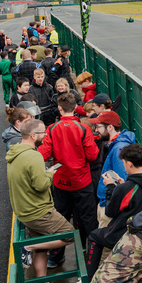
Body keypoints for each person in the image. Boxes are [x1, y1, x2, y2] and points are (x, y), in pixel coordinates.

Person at [6, 118, 74, 283]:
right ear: (33, 135)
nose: (46, 135)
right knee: (69, 234)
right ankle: (27, 248)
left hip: (24, 211)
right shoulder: (34, 156)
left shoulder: (15, 153)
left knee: (41, 248)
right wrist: (50, 174)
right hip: (38, 211)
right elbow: (41, 185)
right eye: (44, 132)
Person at [38, 92, 100, 250]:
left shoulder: (52, 129)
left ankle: (56, 256)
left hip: (61, 181)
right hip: (81, 181)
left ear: (59, 108)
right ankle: (93, 254)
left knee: (61, 219)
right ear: (75, 108)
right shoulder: (83, 129)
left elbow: (43, 154)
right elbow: (93, 156)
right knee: (89, 218)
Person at [84, 141, 142, 280]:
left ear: (129, 164)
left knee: (94, 236)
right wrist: (122, 185)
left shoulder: (124, 189)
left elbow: (110, 211)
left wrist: (110, 188)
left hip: (124, 232)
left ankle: (89, 279)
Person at [90, 111, 137, 227]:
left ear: (110, 127)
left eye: (99, 127)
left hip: (109, 204)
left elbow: (121, 182)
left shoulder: (118, 149)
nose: (96, 130)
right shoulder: (116, 145)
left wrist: (110, 203)